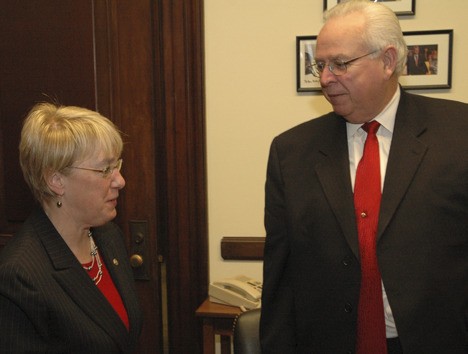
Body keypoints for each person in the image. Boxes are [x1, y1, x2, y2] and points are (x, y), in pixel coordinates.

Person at [260, 1, 468, 353]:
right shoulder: (291, 152)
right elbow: (281, 284)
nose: (325, 78)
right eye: (320, 65)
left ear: (387, 61)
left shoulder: (458, 134)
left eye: (339, 64)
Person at [0, 103, 143, 352]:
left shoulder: (109, 237)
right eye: (105, 169)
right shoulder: (20, 277)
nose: (120, 180)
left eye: (116, 166)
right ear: (56, 181)